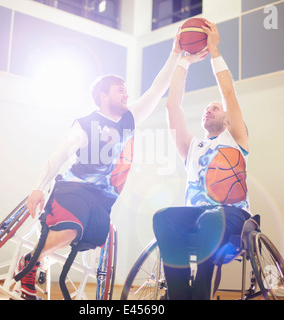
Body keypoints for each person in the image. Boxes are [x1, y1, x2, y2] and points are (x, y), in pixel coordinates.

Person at [14, 31, 184, 300]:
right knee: (72, 228)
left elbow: (156, 89)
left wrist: (176, 54)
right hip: (74, 188)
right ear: (104, 96)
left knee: (91, 237)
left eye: (126, 91)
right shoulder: (85, 123)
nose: (127, 95)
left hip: (103, 197)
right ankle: (31, 261)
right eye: (120, 91)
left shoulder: (129, 119)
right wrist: (37, 188)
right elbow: (57, 156)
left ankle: (38, 259)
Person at [152, 21, 251, 300]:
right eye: (206, 108)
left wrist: (214, 50)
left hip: (234, 217)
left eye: (215, 108)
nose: (209, 110)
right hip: (197, 218)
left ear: (228, 119)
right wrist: (183, 61)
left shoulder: (236, 139)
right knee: (164, 217)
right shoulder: (192, 146)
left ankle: (201, 294)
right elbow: (172, 106)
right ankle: (180, 294)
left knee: (212, 217)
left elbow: (228, 94)